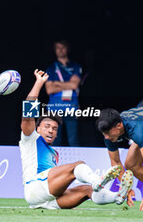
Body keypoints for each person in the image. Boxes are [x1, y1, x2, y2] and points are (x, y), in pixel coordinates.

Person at [19, 69, 134, 209]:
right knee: (78, 165)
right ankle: (98, 180)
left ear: (57, 135)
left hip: (44, 199)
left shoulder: (55, 154)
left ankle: (117, 196)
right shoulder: (31, 139)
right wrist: (39, 82)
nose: (51, 130)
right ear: (38, 129)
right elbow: (27, 115)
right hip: (35, 187)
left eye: (54, 129)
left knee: (87, 190)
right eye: (47, 126)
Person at [45, 40, 82, 146]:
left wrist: (56, 83)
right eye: (58, 48)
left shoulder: (75, 66)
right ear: (55, 50)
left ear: (67, 49)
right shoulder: (51, 68)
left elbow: (74, 85)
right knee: (54, 138)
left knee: (73, 139)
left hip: (71, 106)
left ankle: (76, 162)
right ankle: (53, 162)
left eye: (63, 47)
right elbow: (49, 90)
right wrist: (68, 84)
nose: (60, 50)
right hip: (54, 107)